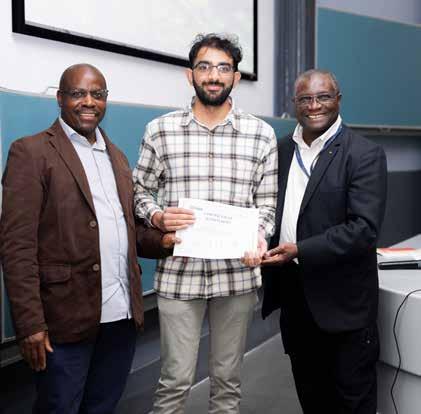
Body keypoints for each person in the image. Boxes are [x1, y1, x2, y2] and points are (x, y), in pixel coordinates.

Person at [0, 63, 174, 413]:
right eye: (78, 93)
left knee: (102, 406)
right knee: (59, 407)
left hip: (121, 317)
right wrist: (30, 324)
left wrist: (164, 242)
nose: (89, 102)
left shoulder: (117, 157)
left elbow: (127, 230)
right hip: (63, 320)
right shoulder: (31, 152)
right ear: (60, 98)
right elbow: (17, 246)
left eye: (98, 94)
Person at [133, 33, 278, 413]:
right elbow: (139, 190)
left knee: (227, 381)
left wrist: (259, 237)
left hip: (237, 276)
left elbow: (267, 204)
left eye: (223, 68)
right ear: (190, 75)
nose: (214, 76)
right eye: (204, 67)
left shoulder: (261, 135)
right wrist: (158, 216)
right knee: (174, 381)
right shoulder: (160, 130)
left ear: (236, 77)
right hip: (180, 276)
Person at [261, 69, 387, 413]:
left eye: (323, 97)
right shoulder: (281, 150)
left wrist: (300, 250)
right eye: (305, 99)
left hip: (344, 305)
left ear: (338, 100)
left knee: (352, 401)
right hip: (295, 300)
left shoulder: (363, 154)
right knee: (312, 397)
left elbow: (363, 229)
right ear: (295, 103)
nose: (314, 106)